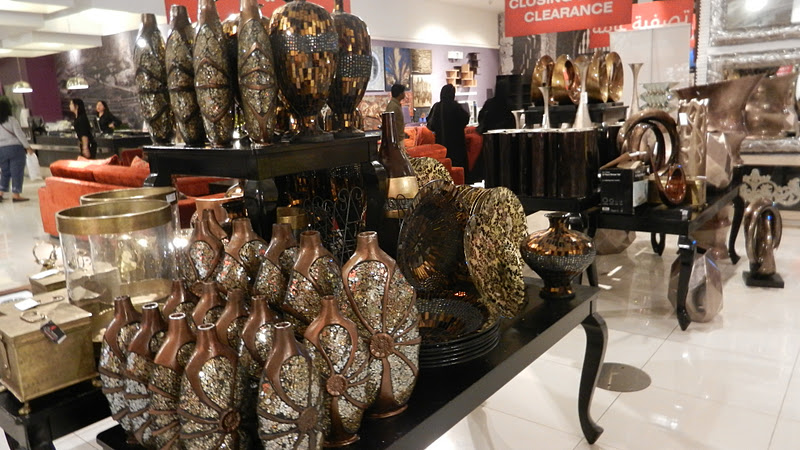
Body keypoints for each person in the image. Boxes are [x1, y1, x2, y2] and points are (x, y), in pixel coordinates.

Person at [427, 84, 470, 169]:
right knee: (457, 167)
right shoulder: (456, 106)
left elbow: (430, 124)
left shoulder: (437, 107)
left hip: (441, 142)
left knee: (444, 167)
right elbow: (465, 119)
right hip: (457, 143)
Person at [0, 96, 34, 202]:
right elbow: (20, 135)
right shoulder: (11, 120)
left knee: (5, 171)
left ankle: (1, 193)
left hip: (1, 150)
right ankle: (16, 194)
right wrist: (27, 147)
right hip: (15, 149)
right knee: (17, 171)